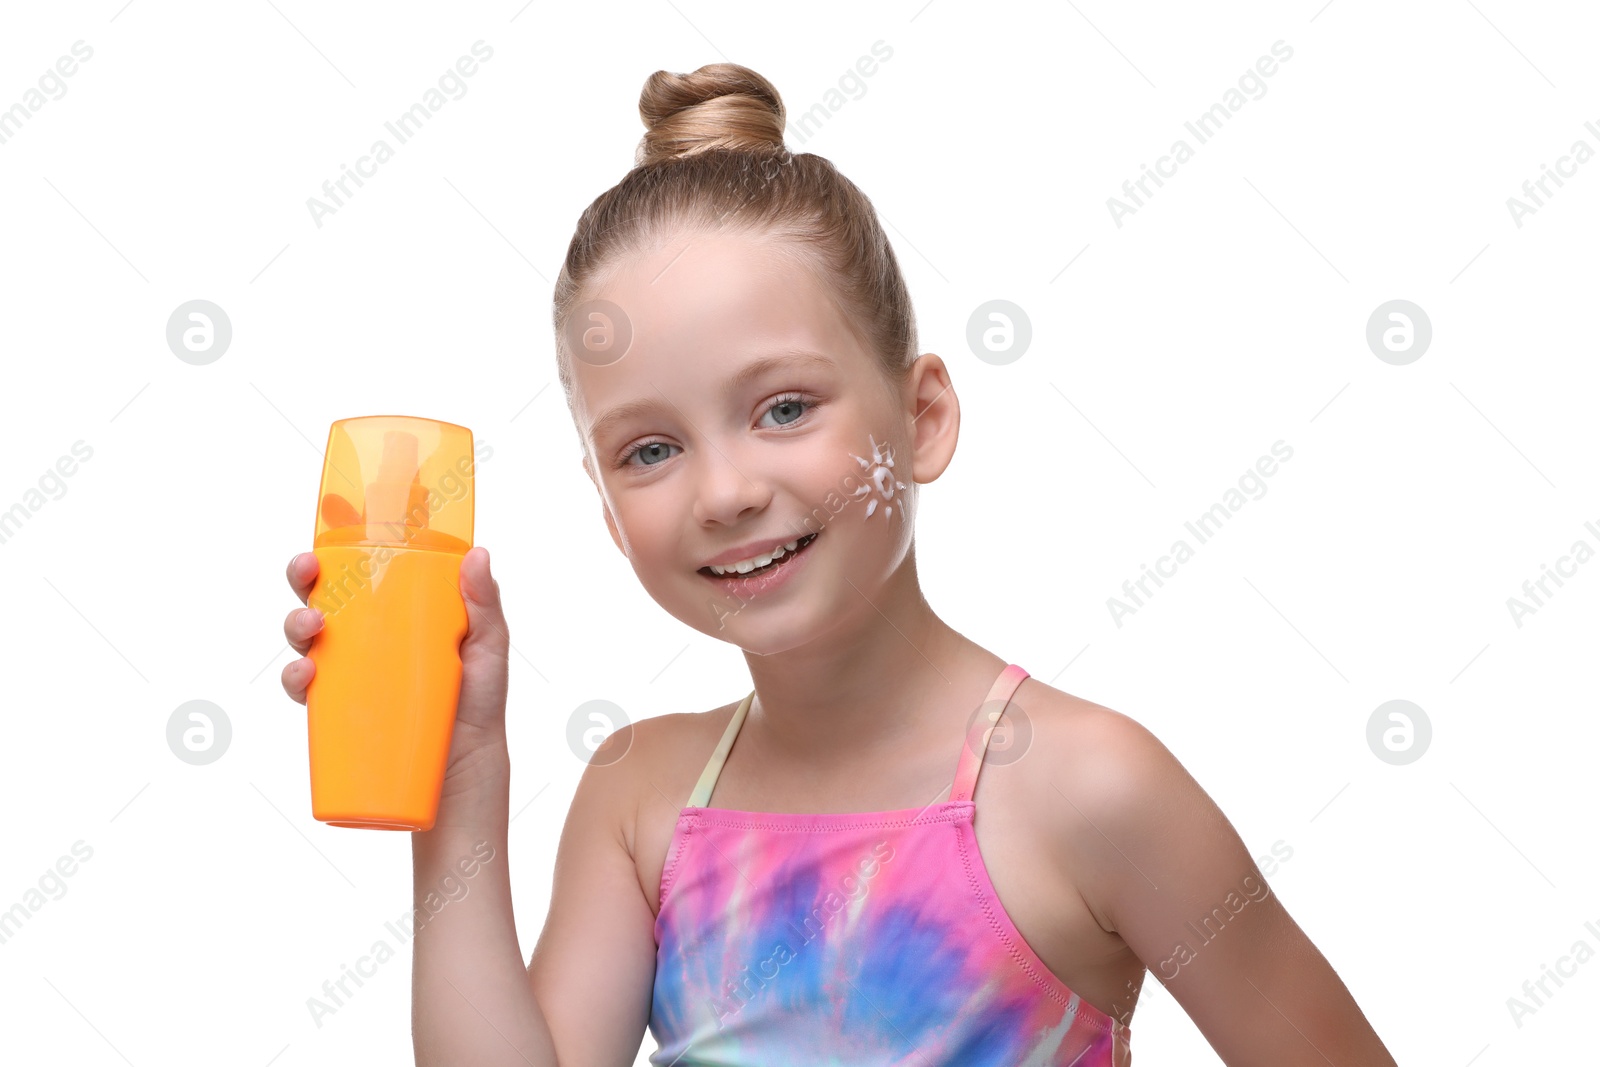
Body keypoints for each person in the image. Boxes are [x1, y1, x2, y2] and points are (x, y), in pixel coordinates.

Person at [281, 62, 1398, 1067]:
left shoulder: (1089, 786)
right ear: (610, 511)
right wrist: (457, 793)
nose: (723, 491)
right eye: (652, 449)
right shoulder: (638, 793)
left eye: (783, 407)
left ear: (921, 417)